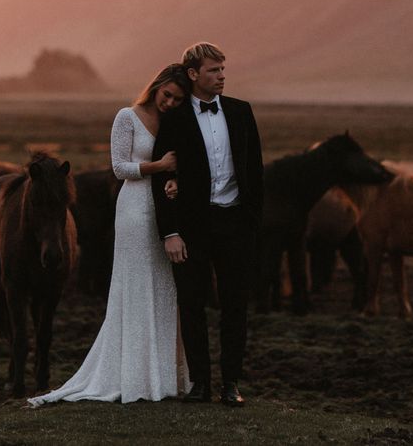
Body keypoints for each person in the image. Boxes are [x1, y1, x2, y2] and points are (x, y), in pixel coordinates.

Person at [28, 64, 192, 406]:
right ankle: (131, 374)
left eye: (177, 100)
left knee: (163, 286)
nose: (170, 103)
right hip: (134, 208)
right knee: (134, 284)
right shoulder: (127, 117)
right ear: (157, 85)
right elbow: (119, 167)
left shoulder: (172, 121)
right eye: (167, 95)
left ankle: (162, 375)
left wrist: (174, 181)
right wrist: (160, 168)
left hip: (162, 206)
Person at [152, 42, 264, 407]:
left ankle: (230, 384)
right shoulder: (176, 119)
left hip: (235, 224)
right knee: (191, 304)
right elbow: (161, 178)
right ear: (193, 74)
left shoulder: (241, 112)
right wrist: (170, 232)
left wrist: (251, 223)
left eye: (222, 70)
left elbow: (255, 173)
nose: (221, 76)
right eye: (214, 70)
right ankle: (200, 383)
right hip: (192, 228)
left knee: (235, 306)